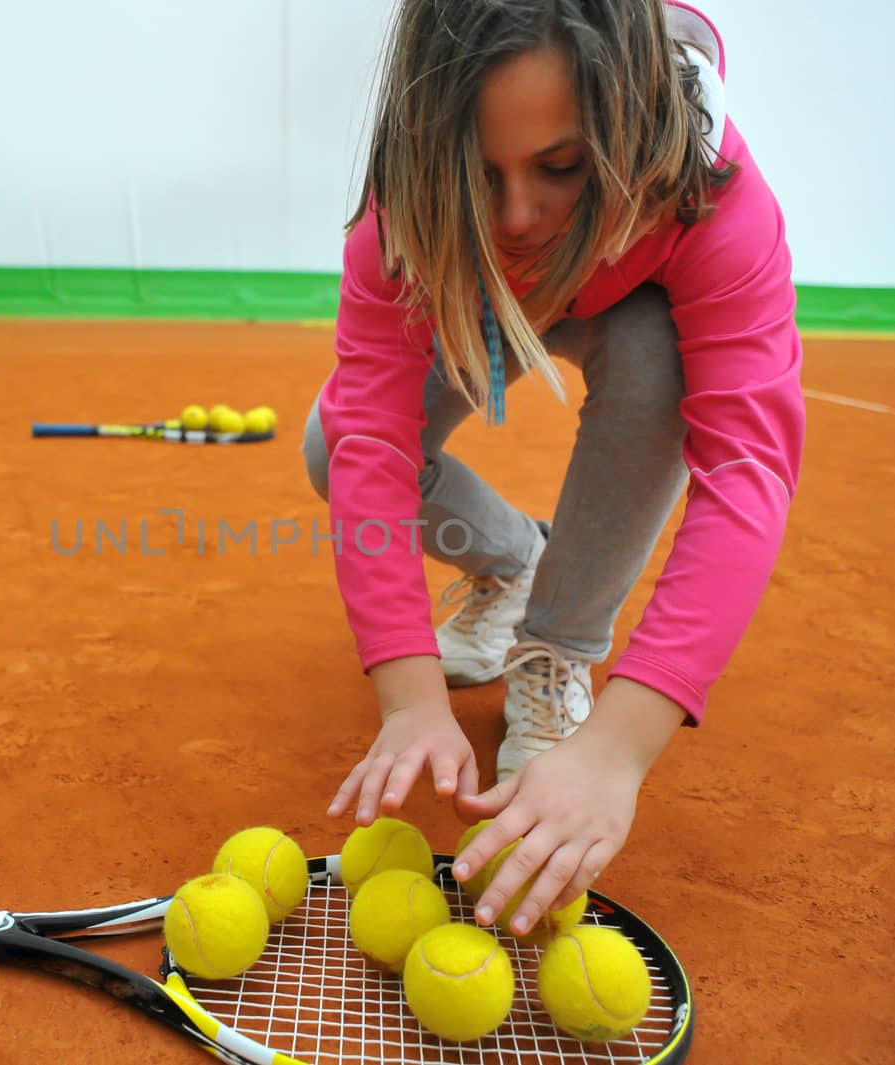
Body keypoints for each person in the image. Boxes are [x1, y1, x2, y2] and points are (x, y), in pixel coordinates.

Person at [301, 0, 804, 940]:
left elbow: (750, 465)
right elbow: (371, 438)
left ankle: (557, 647)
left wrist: (616, 749)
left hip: (628, 297)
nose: (519, 214)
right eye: (478, 171)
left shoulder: (716, 192)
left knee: (660, 358)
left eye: (561, 167)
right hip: (471, 296)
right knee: (328, 444)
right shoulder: (405, 209)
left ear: (627, 131)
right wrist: (406, 698)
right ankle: (510, 562)